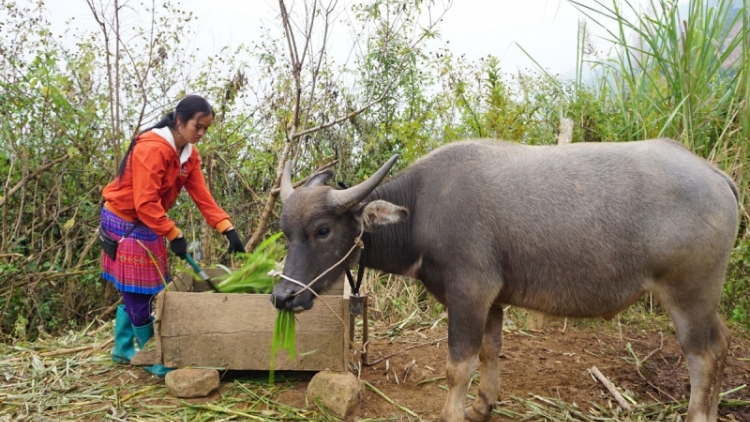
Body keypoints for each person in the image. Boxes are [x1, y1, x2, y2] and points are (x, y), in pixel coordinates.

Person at [100, 94, 245, 376]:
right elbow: (144, 202)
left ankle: (122, 347)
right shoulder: (153, 148)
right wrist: (173, 233)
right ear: (180, 121)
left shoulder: (189, 155)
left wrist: (226, 228)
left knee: (150, 288)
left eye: (206, 128)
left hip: (150, 222)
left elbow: (202, 195)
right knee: (140, 291)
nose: (201, 134)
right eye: (197, 126)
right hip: (125, 220)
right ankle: (151, 356)